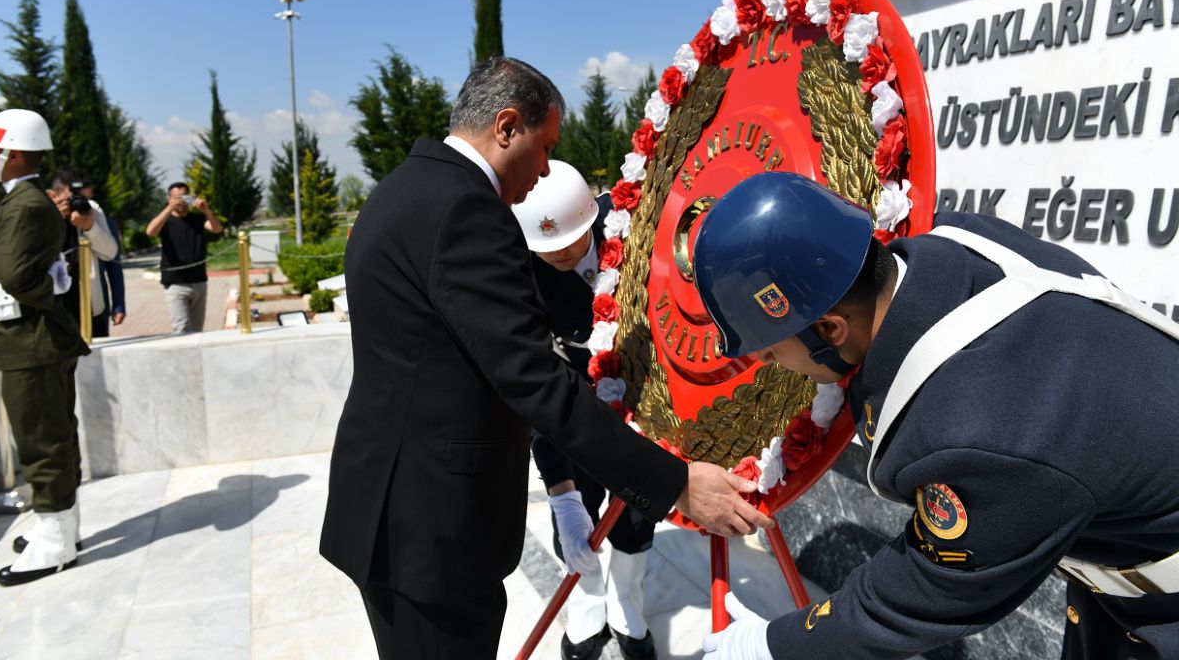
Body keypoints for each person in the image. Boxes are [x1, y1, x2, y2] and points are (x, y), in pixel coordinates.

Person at [319, 57, 772, 660]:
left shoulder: (403, 189)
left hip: (395, 509)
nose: (544, 172)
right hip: (432, 529)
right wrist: (675, 483)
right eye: (545, 146)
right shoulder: (466, 210)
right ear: (507, 126)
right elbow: (532, 378)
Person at [691, 172, 1179, 660]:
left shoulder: (977, 429)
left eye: (772, 351)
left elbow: (921, 595)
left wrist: (775, 646)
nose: (772, 365)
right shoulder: (955, 244)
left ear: (828, 328)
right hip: (1119, 573)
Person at [512, 160, 659, 660]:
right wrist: (562, 496)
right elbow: (535, 387)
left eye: (572, 244)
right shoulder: (523, 274)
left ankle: (626, 605)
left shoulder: (631, 229)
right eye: (548, 252)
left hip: (641, 394)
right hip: (572, 402)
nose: (564, 256)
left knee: (637, 516)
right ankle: (588, 606)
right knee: (576, 524)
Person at [0, 109, 90, 586]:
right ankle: (61, 523)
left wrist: (49, 295)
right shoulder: (23, 201)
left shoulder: (24, 205)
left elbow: (17, 276)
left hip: (29, 339)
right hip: (30, 339)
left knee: (41, 439)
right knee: (54, 433)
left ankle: (55, 540)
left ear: (13, 155)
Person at [48, 169, 118, 337]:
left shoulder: (91, 209)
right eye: (69, 198)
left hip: (90, 304)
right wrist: (54, 218)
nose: (75, 202)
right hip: (55, 306)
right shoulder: (44, 211)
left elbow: (110, 254)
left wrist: (90, 227)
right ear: (53, 195)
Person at [145, 182, 223, 332]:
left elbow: (217, 229)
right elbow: (150, 231)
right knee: (181, 328)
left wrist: (206, 210)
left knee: (197, 330)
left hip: (199, 281)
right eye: (177, 197)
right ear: (169, 199)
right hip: (175, 283)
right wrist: (169, 208)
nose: (181, 201)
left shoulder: (198, 219)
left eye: (184, 197)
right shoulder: (165, 220)